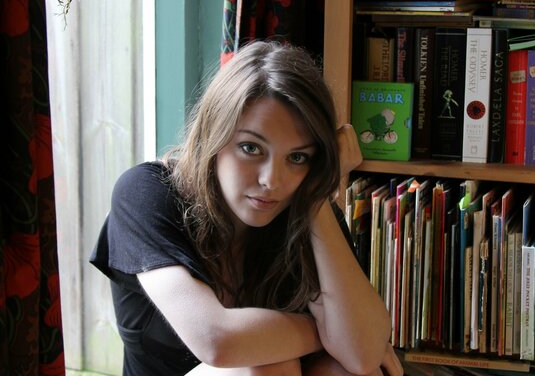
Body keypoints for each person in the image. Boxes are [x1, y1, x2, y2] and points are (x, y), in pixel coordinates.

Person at [90, 40, 404, 376]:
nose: (273, 180)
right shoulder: (147, 193)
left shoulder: (301, 206)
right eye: (251, 148)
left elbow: (363, 356)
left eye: (297, 157)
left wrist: (316, 201)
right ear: (213, 136)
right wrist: (326, 333)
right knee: (263, 366)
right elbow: (216, 340)